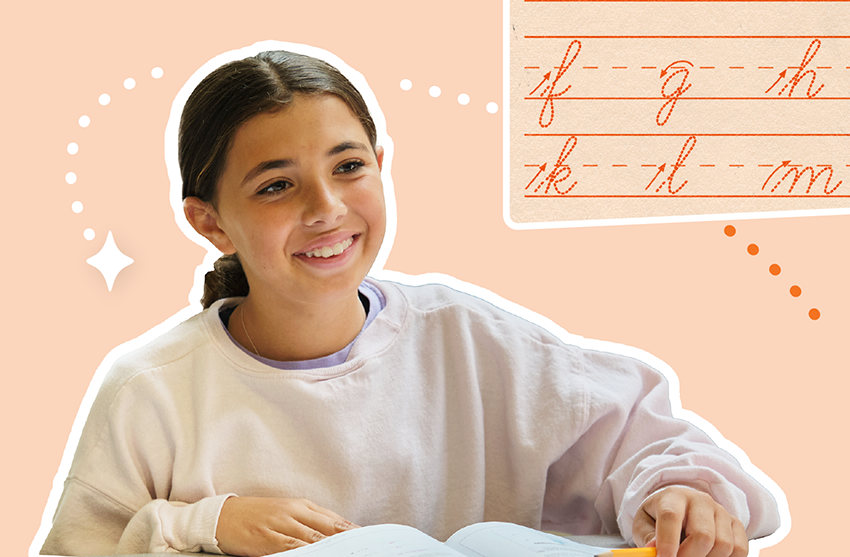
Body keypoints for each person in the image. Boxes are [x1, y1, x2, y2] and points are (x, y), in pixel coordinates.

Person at [39, 48, 781, 557]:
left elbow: (646, 439)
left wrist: (684, 494)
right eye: (276, 185)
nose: (327, 207)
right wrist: (208, 521)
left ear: (381, 165)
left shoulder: (469, 338)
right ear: (209, 220)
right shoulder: (153, 390)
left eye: (349, 166)